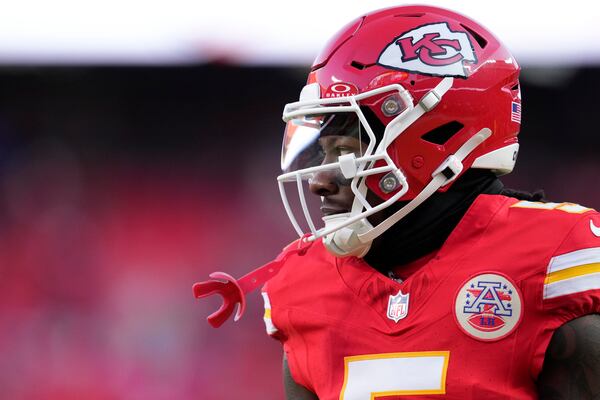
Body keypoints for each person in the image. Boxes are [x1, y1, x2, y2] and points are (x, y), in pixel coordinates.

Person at [195, 5, 600, 399]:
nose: (319, 180)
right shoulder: (304, 288)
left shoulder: (558, 258)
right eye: (323, 152)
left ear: (434, 141)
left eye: (346, 150)